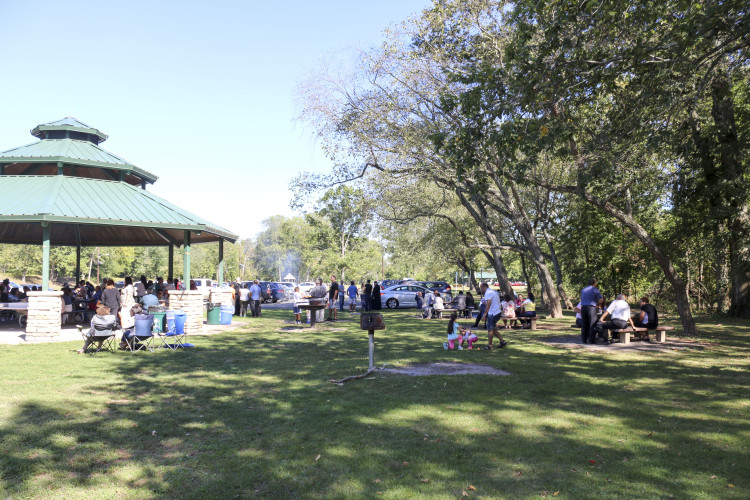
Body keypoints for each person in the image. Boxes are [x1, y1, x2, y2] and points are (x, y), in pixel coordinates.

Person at [480, 282, 507, 349]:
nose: (481, 290)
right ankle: (502, 341)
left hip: (492, 313)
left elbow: (488, 304)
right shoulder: (493, 292)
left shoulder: (488, 293)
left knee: (490, 329)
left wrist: (484, 315)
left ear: (484, 287)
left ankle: (490, 345)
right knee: (493, 328)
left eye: (481, 288)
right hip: (497, 312)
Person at [580, 278, 603, 344]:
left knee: (584, 324)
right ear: (594, 283)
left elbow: (582, 299)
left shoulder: (583, 290)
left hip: (583, 308)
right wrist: (598, 304)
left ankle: (584, 340)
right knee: (592, 324)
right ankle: (591, 340)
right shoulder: (595, 290)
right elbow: (601, 300)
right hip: (591, 308)